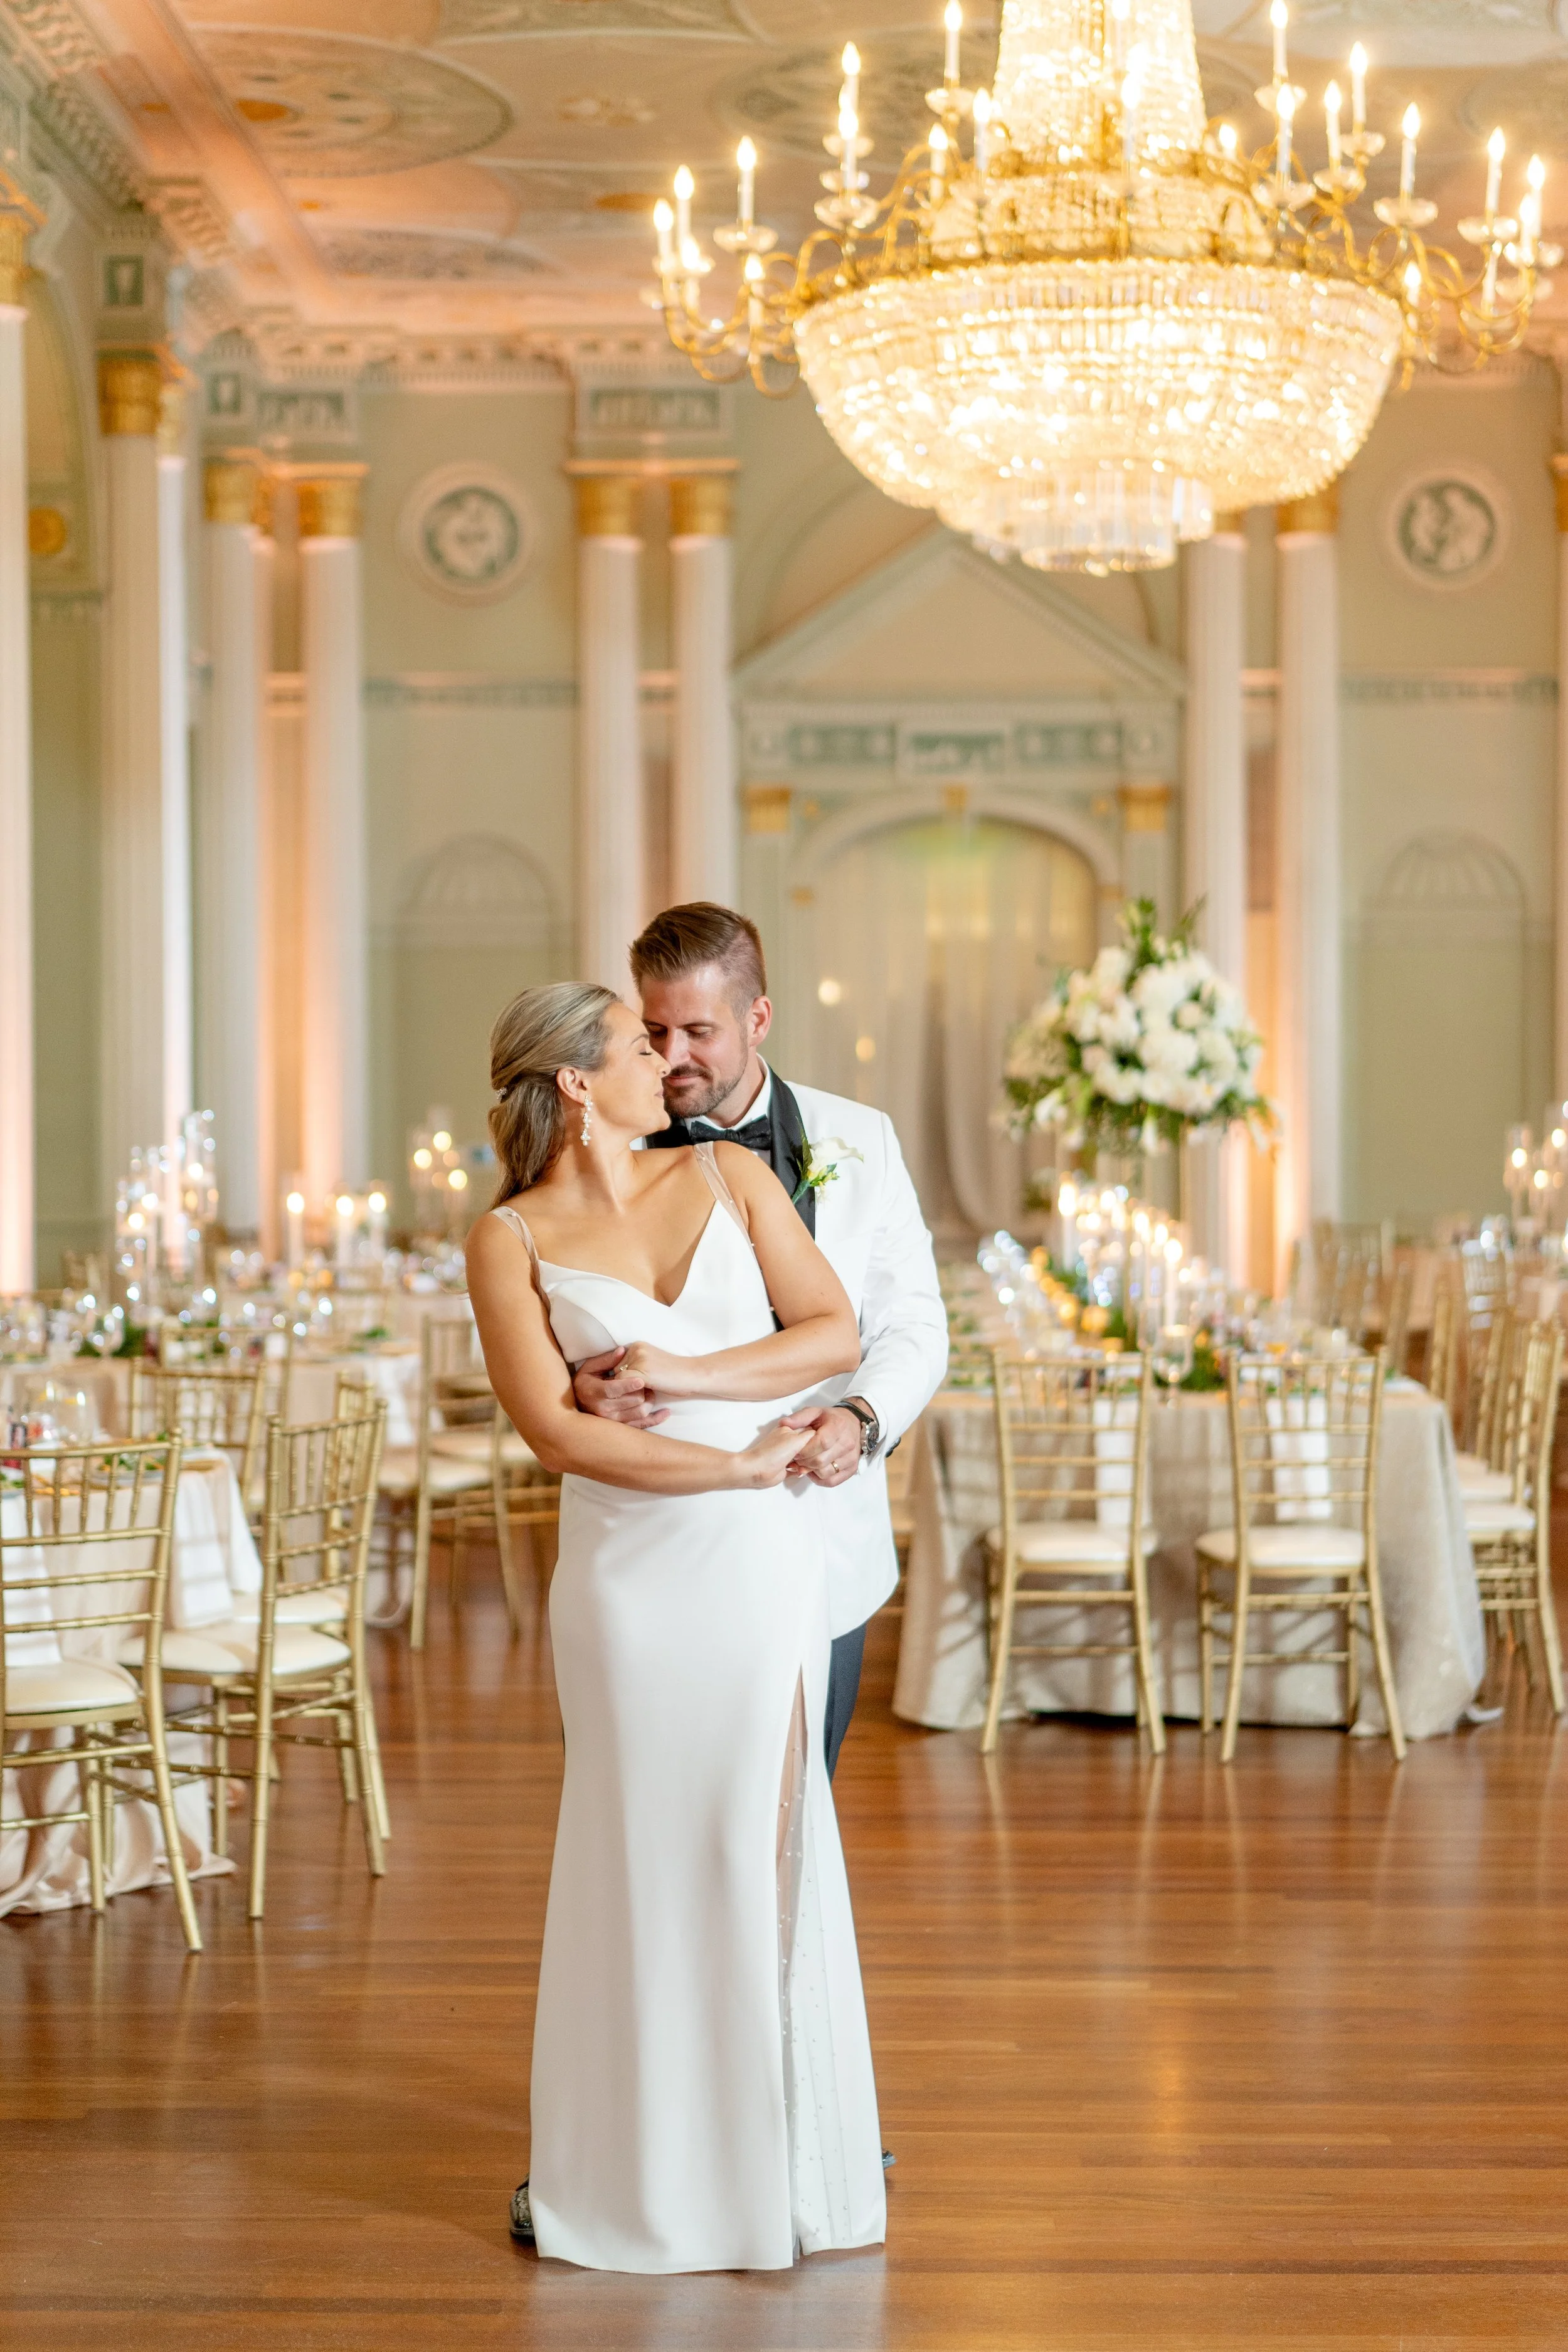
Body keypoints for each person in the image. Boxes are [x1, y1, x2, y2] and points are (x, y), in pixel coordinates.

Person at [465, 981, 889, 2274]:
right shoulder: (508, 1238)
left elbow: (833, 1329)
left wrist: (690, 1384)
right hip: (629, 1577)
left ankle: (776, 2168)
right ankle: (633, 2172)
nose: (668, 1057)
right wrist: (727, 1468)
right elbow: (553, 1431)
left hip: (756, 1568)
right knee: (635, 1858)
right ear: (579, 1083)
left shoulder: (727, 1180)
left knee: (753, 1847)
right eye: (637, 1044)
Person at [573, 903, 948, 1778]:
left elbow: (915, 1323)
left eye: (698, 1030)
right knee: (650, 1790)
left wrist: (860, 1416)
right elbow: (557, 1315)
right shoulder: (595, 1148)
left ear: (759, 1018)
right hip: (654, 1534)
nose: (670, 1058)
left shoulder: (863, 1138)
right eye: (653, 1028)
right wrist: (581, 1386)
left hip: (820, 1533)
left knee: (796, 1804)